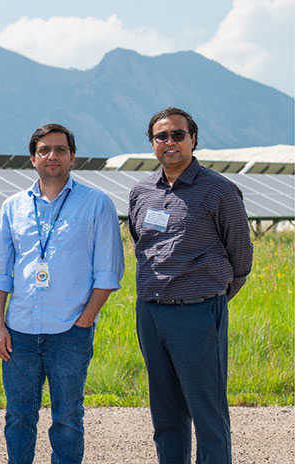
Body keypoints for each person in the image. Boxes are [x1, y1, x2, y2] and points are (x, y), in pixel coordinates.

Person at [0, 123, 124, 463]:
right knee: (18, 416)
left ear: (72, 157)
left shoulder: (96, 203)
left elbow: (108, 271)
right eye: (44, 150)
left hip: (70, 330)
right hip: (19, 332)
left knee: (67, 417)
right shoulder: (13, 207)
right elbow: (0, 272)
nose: (52, 156)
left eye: (60, 149)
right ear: (33, 158)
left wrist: (85, 320)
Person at [128, 107, 253, 463]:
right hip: (150, 313)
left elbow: (240, 254)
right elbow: (142, 243)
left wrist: (211, 294)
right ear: (152, 143)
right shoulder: (142, 192)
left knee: (207, 412)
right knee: (166, 415)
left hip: (198, 312)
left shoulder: (220, 191)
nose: (170, 143)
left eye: (177, 135)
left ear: (193, 139)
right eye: (161, 137)